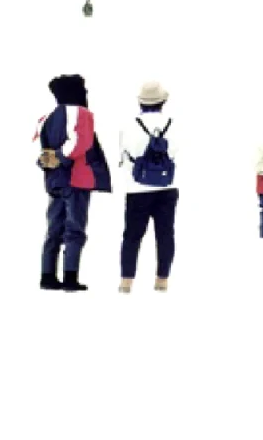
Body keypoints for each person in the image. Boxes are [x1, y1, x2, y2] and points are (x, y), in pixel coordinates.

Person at [36, 74, 112, 292]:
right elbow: (82, 142)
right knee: (75, 229)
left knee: (53, 228)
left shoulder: (47, 116)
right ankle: (70, 278)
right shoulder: (81, 113)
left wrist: (50, 159)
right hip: (77, 178)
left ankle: (47, 276)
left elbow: (41, 149)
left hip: (54, 180)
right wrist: (62, 157)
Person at [118, 81, 179, 293]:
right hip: (168, 186)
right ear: (163, 101)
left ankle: (126, 281)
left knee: (132, 235)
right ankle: (162, 280)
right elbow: (176, 151)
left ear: (141, 102)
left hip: (136, 188)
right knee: (165, 234)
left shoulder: (129, 124)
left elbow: (123, 154)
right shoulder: (174, 123)